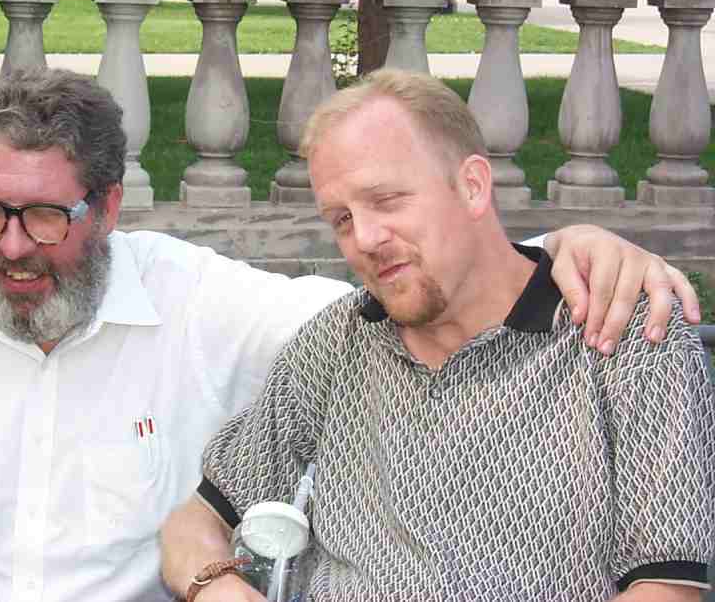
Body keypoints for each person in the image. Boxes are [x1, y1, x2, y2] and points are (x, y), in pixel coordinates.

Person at [0, 69, 701, 602]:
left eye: (44, 218)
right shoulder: (345, 344)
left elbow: (449, 288)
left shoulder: (629, 347)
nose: (9, 248)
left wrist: (565, 249)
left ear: (110, 208)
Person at [160, 69, 715, 602]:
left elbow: (666, 586)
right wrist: (219, 588)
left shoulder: (625, 332)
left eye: (386, 200)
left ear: (472, 186)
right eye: (342, 219)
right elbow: (198, 519)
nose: (365, 240)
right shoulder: (337, 342)